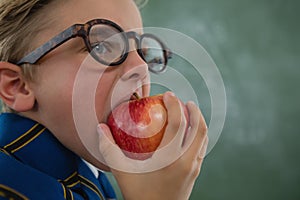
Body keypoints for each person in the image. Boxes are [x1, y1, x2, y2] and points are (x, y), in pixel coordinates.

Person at [0, 0, 208, 199]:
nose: (141, 67)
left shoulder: (89, 179)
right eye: (100, 47)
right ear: (18, 86)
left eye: (143, 53)